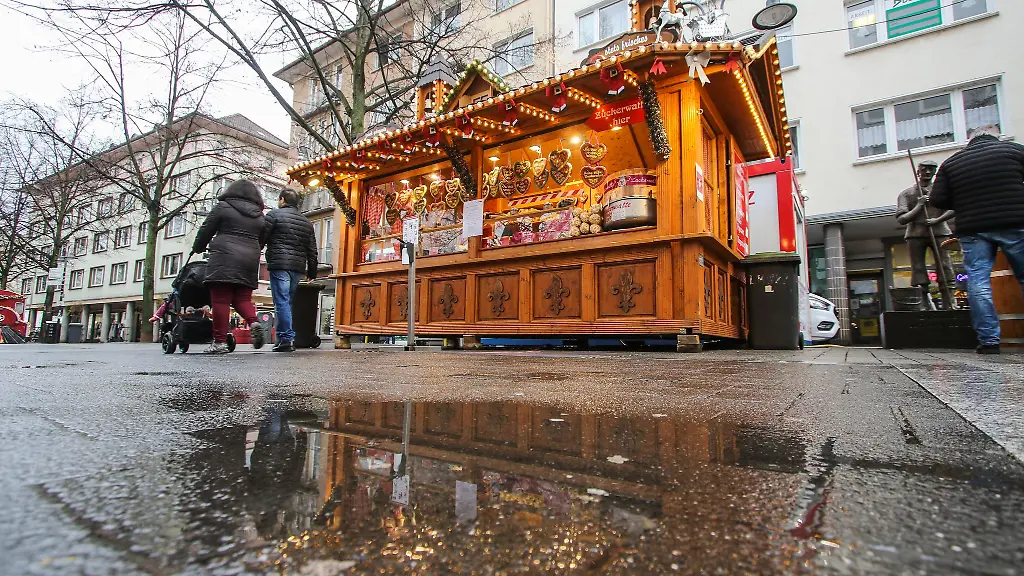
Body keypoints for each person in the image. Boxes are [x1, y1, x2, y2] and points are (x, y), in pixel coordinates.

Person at [930, 125, 1024, 354]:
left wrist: (964, 201)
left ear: (969, 140)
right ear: (997, 135)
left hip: (973, 228)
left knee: (979, 282)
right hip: (1015, 221)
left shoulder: (952, 163)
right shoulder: (1013, 151)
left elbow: (938, 199)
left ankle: (990, 340)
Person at [192, 180, 267, 354]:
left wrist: (198, 247)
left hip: (223, 257)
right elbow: (262, 239)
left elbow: (206, 229)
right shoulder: (260, 216)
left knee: (220, 300)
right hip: (249, 260)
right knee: (242, 299)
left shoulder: (223, 207)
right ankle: (254, 322)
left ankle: (219, 342)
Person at [261, 189, 318, 352]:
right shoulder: (306, 222)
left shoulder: (273, 216)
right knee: (287, 301)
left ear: (282, 199)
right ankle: (281, 338)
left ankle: (286, 338)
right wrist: (312, 272)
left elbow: (262, 238)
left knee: (281, 301)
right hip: (297, 267)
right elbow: (312, 249)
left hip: (279, 264)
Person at [895, 160, 956, 310]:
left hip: (939, 231)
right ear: (918, 171)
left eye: (931, 169)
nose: (927, 172)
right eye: (924, 169)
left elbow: (954, 208)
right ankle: (923, 303)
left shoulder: (941, 191)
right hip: (916, 234)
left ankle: (950, 302)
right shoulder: (907, 194)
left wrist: (937, 219)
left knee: (945, 265)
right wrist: (919, 205)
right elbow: (902, 219)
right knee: (918, 268)